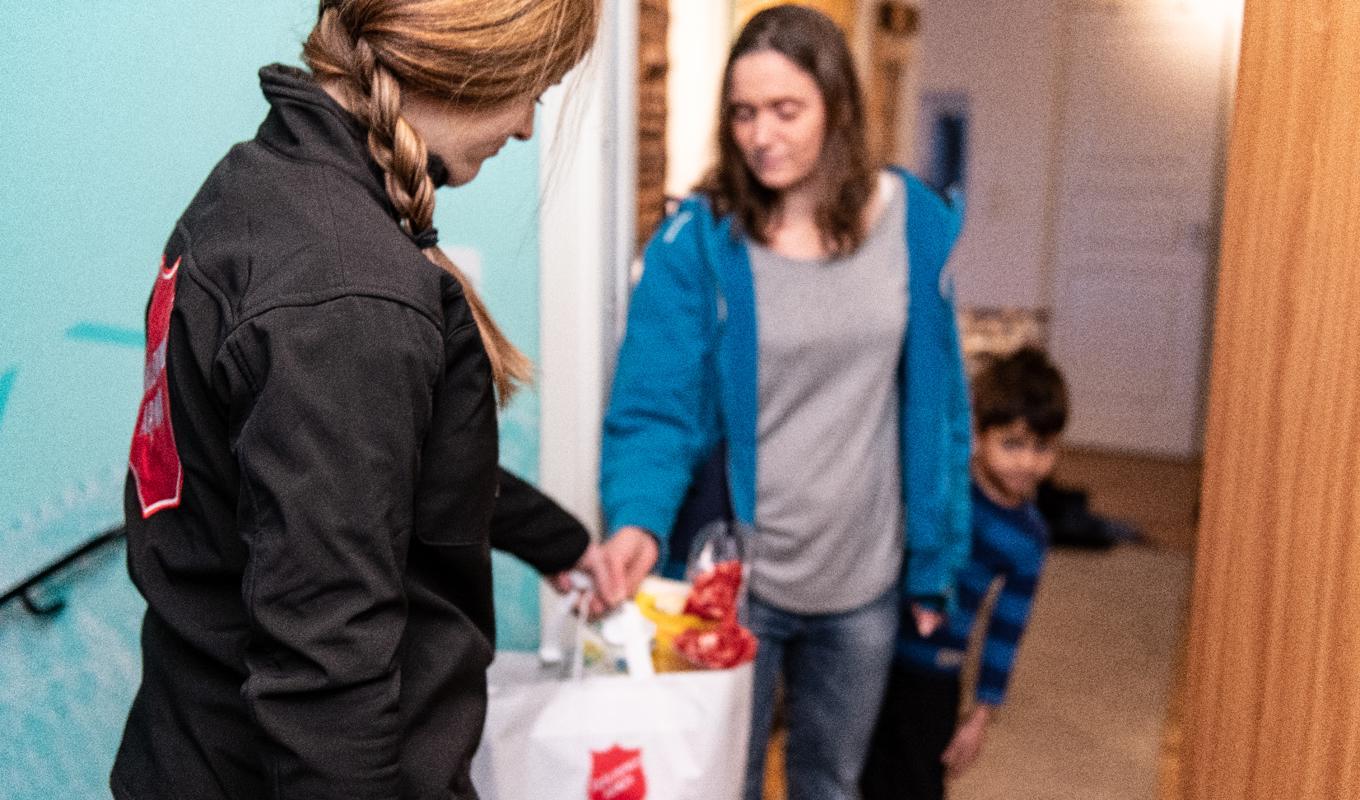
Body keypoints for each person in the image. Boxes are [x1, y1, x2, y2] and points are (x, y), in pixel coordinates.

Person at [111, 2, 604, 798]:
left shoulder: (259, 186)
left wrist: (562, 542)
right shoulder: (346, 295)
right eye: (534, 94)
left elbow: (366, 483)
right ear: (467, 59)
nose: (523, 130)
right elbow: (326, 682)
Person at [597, 6, 972, 799]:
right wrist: (636, 521)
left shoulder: (917, 223)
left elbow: (941, 412)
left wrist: (935, 564)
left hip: (863, 582)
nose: (760, 134)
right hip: (734, 585)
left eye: (785, 110)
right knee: (708, 784)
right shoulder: (699, 241)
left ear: (836, 105)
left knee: (830, 785)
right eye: (743, 112)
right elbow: (653, 409)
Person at [861, 346, 1069, 800]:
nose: (1028, 462)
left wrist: (980, 716)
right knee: (861, 774)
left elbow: (1006, 630)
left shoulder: (1029, 538)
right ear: (978, 433)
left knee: (917, 783)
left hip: (936, 674)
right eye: (1012, 443)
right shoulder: (939, 486)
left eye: (1042, 447)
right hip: (872, 648)